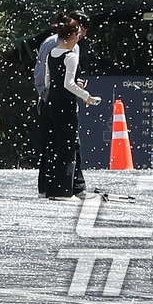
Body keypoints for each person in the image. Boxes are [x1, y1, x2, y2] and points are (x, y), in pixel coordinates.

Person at [40, 14, 102, 200]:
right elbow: (69, 83)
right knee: (67, 147)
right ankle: (63, 189)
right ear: (73, 36)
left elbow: (47, 79)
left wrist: (50, 94)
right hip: (65, 103)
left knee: (52, 145)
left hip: (51, 100)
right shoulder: (71, 56)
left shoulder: (52, 53)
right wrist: (87, 97)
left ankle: (49, 188)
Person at [34, 17, 63, 197]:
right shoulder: (51, 44)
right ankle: (47, 187)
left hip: (61, 100)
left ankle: (58, 186)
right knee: (50, 145)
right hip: (50, 99)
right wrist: (46, 96)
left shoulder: (73, 47)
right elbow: (40, 75)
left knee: (60, 145)